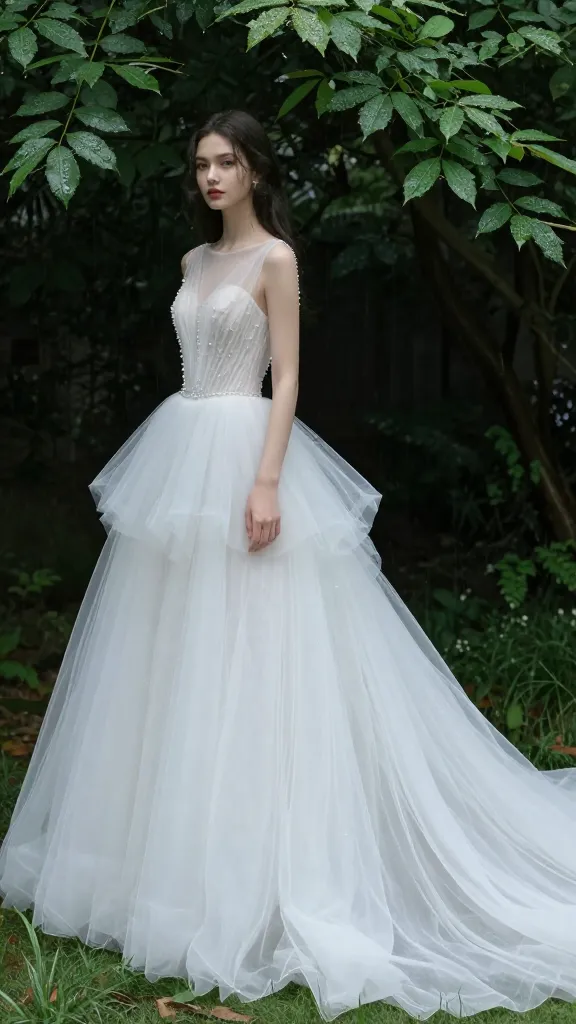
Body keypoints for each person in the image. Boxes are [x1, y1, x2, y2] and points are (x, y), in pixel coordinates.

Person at [2, 108, 576, 1024]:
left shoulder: (276, 259)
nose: (212, 177)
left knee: (256, 653)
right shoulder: (193, 262)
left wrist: (267, 479)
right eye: (202, 163)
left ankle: (264, 868)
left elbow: (291, 378)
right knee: (165, 657)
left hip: (246, 450)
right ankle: (158, 869)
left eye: (228, 162)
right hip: (180, 452)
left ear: (257, 172)